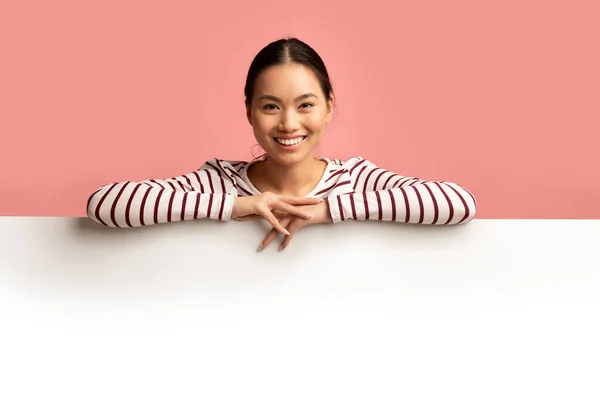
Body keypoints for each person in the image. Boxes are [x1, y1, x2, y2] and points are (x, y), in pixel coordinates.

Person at [86, 37, 477, 252]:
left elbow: (459, 203)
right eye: (271, 106)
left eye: (305, 105)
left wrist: (328, 210)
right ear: (249, 111)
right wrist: (237, 205)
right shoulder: (218, 181)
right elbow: (104, 204)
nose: (289, 123)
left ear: (329, 107)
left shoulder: (356, 179)